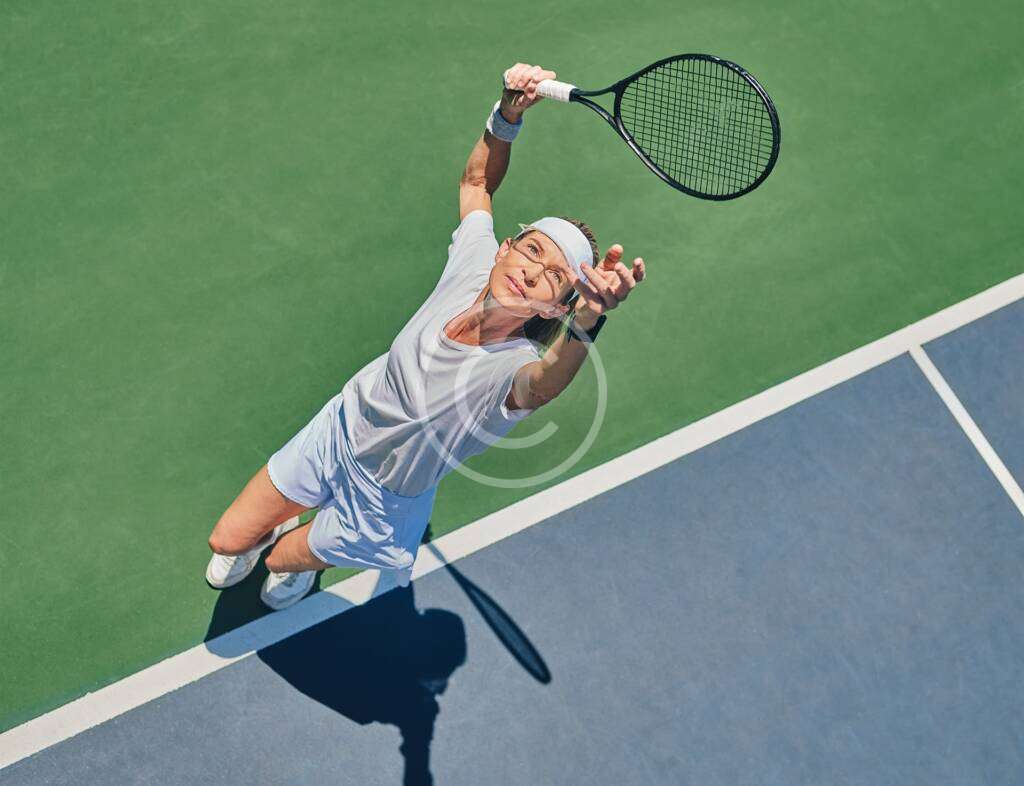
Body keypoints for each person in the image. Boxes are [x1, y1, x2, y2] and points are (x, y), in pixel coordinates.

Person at [205, 62, 647, 610]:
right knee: (227, 541)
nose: (533, 272)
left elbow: (545, 382)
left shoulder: (509, 371)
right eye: (532, 250)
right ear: (505, 248)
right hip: (340, 428)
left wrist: (592, 315)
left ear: (558, 306)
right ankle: (284, 520)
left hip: (381, 504)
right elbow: (477, 184)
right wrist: (507, 116)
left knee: (279, 562)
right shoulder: (473, 261)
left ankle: (303, 560)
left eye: (554, 276)